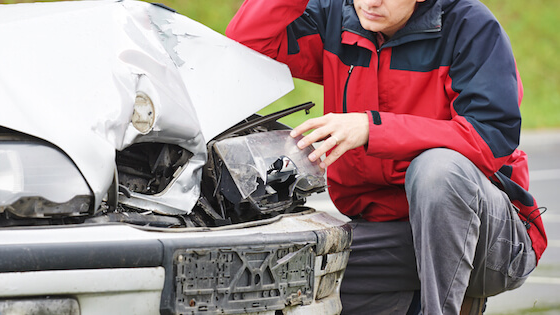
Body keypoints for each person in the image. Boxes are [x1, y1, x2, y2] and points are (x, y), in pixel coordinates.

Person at [226, 0, 547, 314]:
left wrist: (372, 128)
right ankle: (409, 303)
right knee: (295, 273)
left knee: (438, 170)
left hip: (491, 245)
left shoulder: (470, 25)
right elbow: (247, 43)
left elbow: (489, 141)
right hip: (391, 238)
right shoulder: (337, 14)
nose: (372, 2)